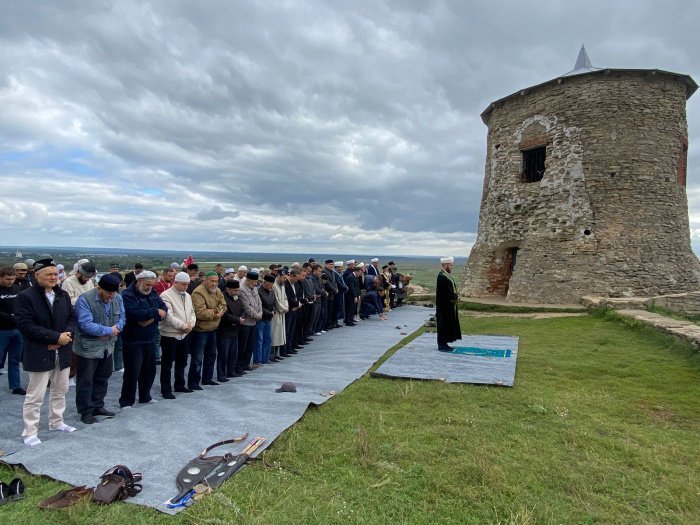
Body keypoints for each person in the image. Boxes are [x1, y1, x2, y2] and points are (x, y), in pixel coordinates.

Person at [14, 259, 77, 446]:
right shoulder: (26, 297)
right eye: (48, 274)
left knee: (60, 390)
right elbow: (26, 325)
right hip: (40, 351)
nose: (53, 277)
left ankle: (56, 422)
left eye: (55, 274)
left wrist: (65, 336)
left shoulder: (62, 294)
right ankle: (30, 432)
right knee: (36, 394)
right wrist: (55, 337)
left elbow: (72, 318)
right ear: (37, 275)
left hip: (63, 350)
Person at [73, 274, 124, 424]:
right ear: (99, 288)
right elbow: (85, 324)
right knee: (86, 381)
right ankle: (85, 411)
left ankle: (98, 406)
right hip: (88, 349)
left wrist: (115, 329)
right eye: (108, 293)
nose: (111, 296)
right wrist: (108, 331)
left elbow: (122, 317)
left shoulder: (117, 298)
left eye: (113, 293)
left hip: (108, 347)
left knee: (103, 378)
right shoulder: (85, 299)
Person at [119, 271, 167, 407]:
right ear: (139, 281)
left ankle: (145, 396)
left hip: (150, 338)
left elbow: (164, 308)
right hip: (133, 340)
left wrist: (153, 317)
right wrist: (155, 312)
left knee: (149, 370)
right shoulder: (128, 295)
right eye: (147, 284)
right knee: (132, 372)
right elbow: (133, 314)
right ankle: (126, 401)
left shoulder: (152, 293)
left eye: (152, 285)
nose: (149, 287)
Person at [159, 272, 196, 397]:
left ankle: (179, 385)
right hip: (170, 334)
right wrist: (184, 326)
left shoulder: (188, 295)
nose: (186, 287)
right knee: (167, 364)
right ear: (176, 282)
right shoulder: (166, 295)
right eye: (183, 284)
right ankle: (166, 389)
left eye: (187, 284)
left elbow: (192, 312)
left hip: (185, 334)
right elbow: (168, 316)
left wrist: (191, 324)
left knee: (182, 361)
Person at [190, 271, 226, 387]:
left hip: (213, 329)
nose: (214, 283)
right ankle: (194, 382)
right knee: (197, 358)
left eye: (216, 281)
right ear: (205, 280)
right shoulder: (198, 292)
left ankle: (207, 378)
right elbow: (201, 313)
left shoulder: (217, 290)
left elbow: (224, 305)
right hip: (200, 330)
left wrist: (213, 310)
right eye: (212, 281)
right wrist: (216, 313)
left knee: (211, 356)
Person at [0, 266, 25, 395]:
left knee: (15, 360)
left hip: (18, 329)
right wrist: (10, 317)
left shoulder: (17, 288)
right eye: (7, 279)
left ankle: (15, 386)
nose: (10, 281)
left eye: (12, 279)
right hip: (2, 330)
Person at [217, 279, 244, 379]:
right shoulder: (223, 298)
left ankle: (231, 371)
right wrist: (237, 320)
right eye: (234, 290)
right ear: (228, 289)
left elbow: (243, 309)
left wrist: (241, 318)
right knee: (223, 354)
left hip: (235, 329)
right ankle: (221, 374)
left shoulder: (237, 297)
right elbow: (224, 314)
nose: (236, 292)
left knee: (233, 354)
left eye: (238, 290)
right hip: (225, 330)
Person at [237, 271, 262, 374]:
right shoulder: (241, 290)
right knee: (242, 345)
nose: (256, 283)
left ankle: (246, 364)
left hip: (254, 322)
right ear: (248, 280)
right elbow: (246, 307)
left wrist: (260, 313)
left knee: (250, 345)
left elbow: (259, 302)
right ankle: (239, 366)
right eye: (254, 281)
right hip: (246, 322)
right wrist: (257, 315)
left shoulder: (255, 289)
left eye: (256, 281)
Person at [436, 257, 462, 351]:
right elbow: (446, 291)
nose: (451, 267)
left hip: (448, 305)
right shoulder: (442, 276)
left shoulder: (446, 275)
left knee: (447, 324)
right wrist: (455, 296)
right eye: (450, 265)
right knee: (443, 324)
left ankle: (445, 343)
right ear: (445, 265)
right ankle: (442, 345)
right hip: (444, 306)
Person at [255, 274, 275, 367]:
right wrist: (269, 313)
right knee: (259, 340)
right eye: (270, 284)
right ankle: (258, 360)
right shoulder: (258, 291)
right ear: (265, 282)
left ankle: (265, 359)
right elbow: (259, 307)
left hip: (269, 318)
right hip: (261, 318)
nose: (271, 286)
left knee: (268, 339)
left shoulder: (271, 291)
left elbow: (273, 303)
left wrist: (273, 310)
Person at [271, 269, 288, 360]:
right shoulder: (273, 286)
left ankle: (277, 354)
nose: (285, 279)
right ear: (278, 276)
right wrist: (283, 308)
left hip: (282, 313)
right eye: (283, 278)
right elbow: (276, 300)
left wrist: (286, 306)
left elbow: (285, 297)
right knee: (275, 335)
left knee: (280, 335)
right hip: (277, 313)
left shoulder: (282, 286)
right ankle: (272, 355)